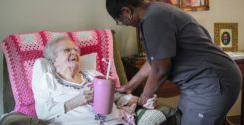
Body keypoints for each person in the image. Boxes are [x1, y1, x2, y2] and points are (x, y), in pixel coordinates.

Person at [106, 0, 242, 125]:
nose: (124, 24)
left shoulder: (153, 19)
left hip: (212, 81)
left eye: (119, 20)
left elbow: (160, 70)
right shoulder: (155, 11)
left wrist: (144, 98)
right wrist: (129, 86)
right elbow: (154, 59)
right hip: (201, 82)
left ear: (126, 12)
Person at [31, 36, 168, 125]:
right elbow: (43, 113)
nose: (74, 53)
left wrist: (141, 101)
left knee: (156, 116)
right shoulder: (49, 80)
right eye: (67, 50)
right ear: (54, 60)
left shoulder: (92, 74)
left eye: (76, 50)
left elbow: (116, 97)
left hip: (115, 122)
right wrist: (76, 100)